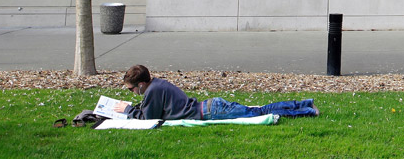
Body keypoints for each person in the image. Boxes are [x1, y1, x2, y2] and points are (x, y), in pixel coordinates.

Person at [118, 65, 319, 120]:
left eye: (132, 89)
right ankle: (304, 104)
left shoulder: (153, 91)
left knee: (259, 112)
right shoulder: (157, 85)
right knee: (258, 109)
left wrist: (128, 110)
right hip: (211, 106)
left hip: (211, 111)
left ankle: (307, 110)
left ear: (142, 84)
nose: (132, 92)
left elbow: (148, 119)